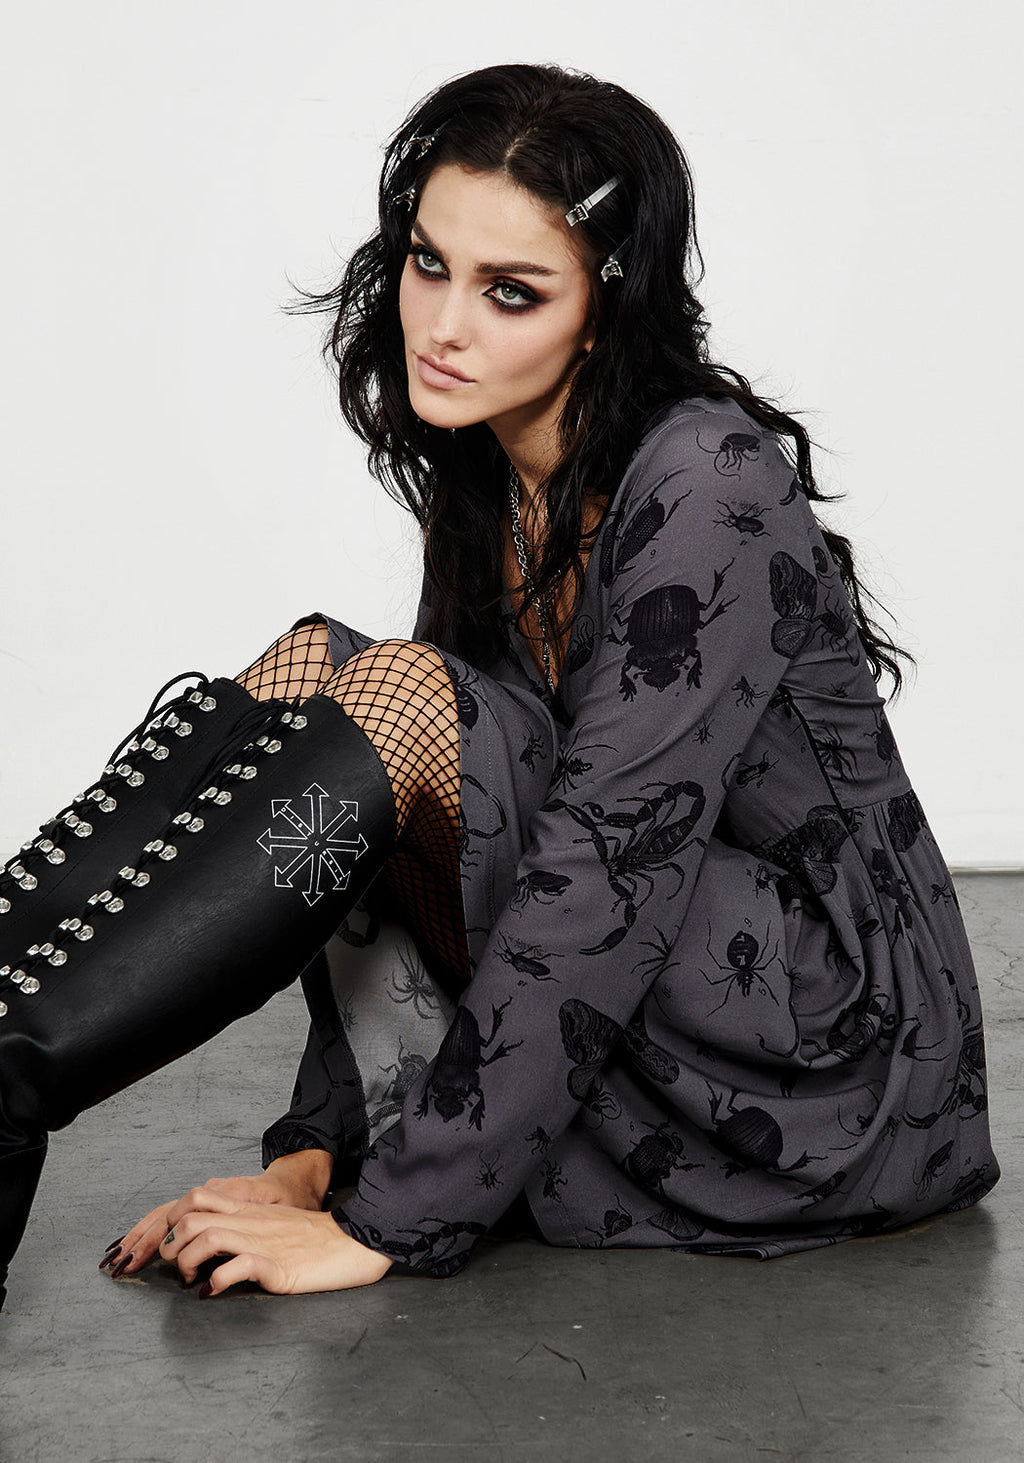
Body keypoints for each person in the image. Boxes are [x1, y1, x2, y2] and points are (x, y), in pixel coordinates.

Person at [0, 63, 999, 1305]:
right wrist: (314, 1156)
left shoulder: (709, 482)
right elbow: (397, 826)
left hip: (832, 1045)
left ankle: (9, 1083)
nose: (443, 325)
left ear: (606, 311)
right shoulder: (493, 466)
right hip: (670, 959)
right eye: (429, 264)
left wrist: (390, 1218)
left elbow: (610, 866)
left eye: (511, 291)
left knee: (393, 695)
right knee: (321, 675)